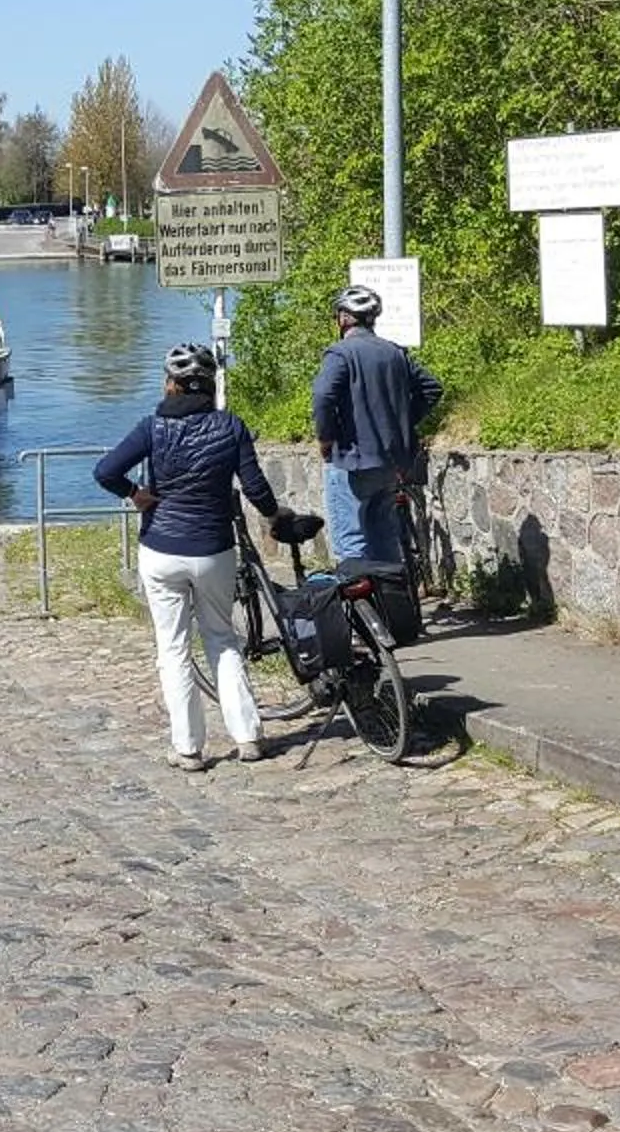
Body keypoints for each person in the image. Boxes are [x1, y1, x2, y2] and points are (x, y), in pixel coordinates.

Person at [95, 344, 293, 772]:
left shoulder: (152, 427)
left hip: (162, 550)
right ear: (210, 385)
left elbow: (105, 471)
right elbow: (256, 489)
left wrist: (135, 494)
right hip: (213, 549)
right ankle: (248, 736)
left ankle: (188, 748)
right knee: (222, 640)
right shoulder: (231, 427)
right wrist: (277, 517)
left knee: (173, 650)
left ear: (172, 383)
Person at [311, 285, 443, 566]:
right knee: (385, 539)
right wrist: (402, 423)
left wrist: (326, 439)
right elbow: (431, 389)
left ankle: (364, 609)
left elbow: (323, 396)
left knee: (352, 544)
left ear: (344, 318)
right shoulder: (395, 352)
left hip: (352, 461)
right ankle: (396, 607)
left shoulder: (340, 353)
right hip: (392, 462)